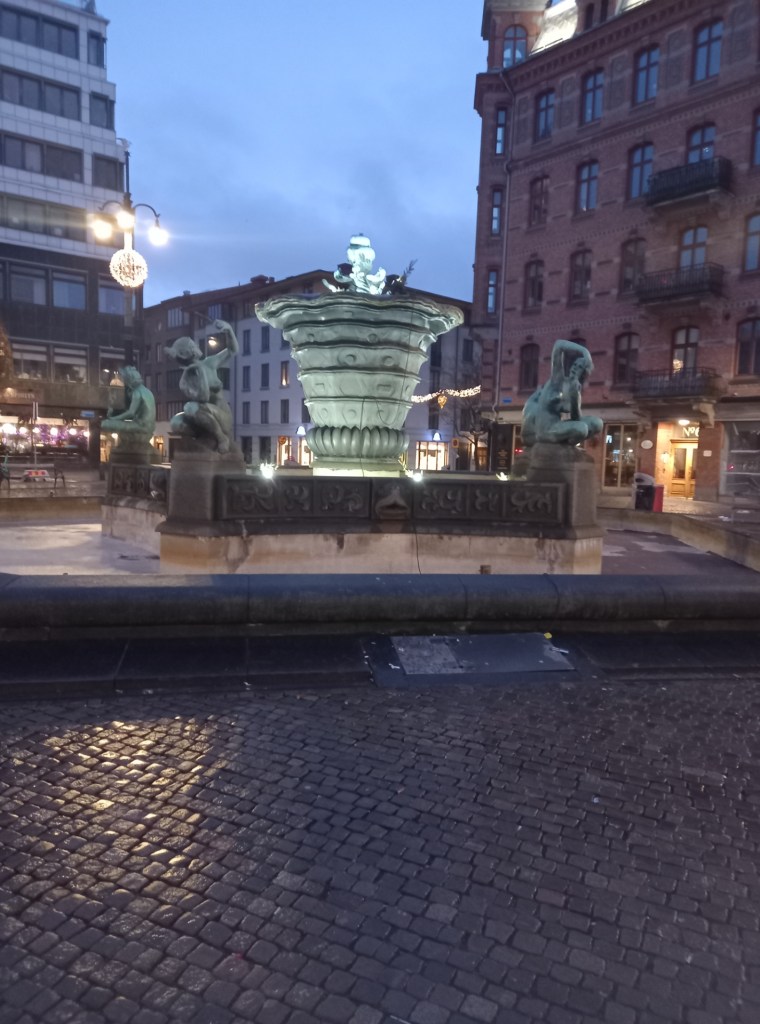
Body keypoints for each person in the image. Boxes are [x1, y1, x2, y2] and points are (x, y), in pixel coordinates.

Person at [165, 319, 239, 454]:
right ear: (188, 353)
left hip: (222, 417)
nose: (197, 346)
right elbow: (204, 396)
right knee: (176, 422)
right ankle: (200, 440)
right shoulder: (185, 381)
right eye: (193, 345)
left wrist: (229, 330)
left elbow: (232, 350)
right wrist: (200, 372)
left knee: (191, 407)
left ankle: (221, 438)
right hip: (201, 418)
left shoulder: (209, 363)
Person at [522, 338, 603, 447]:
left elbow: (575, 419)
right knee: (582, 429)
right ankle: (565, 447)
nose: (575, 367)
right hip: (544, 429)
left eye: (580, 367)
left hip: (556, 426)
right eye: (575, 364)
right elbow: (558, 345)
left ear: (583, 374)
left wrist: (574, 397)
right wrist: (584, 351)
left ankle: (566, 447)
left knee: (597, 423)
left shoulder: (575, 391)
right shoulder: (557, 380)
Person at [102, 365, 156, 437]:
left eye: (124, 380)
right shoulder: (146, 391)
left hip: (141, 426)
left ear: (129, 380)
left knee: (104, 424)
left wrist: (113, 419)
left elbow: (131, 413)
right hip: (149, 426)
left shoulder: (136, 392)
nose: (124, 382)